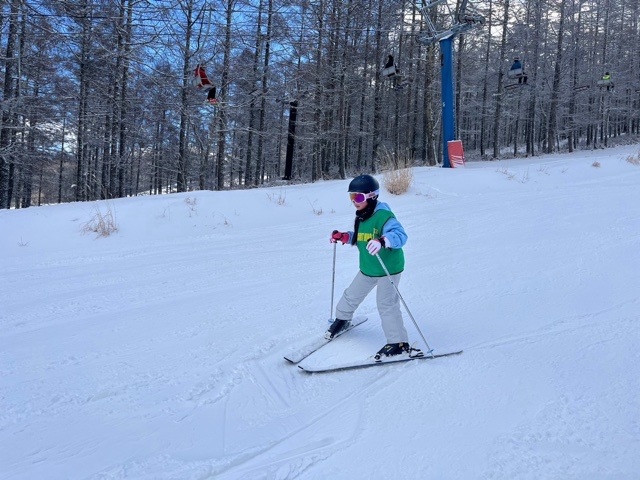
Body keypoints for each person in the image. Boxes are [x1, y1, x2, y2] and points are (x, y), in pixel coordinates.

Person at [328, 174, 423, 362]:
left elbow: (401, 235)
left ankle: (399, 343)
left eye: (359, 197)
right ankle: (342, 319)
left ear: (372, 196)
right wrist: (344, 237)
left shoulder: (384, 216)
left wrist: (383, 241)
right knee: (351, 295)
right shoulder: (363, 215)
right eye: (352, 197)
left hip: (388, 269)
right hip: (369, 268)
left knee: (386, 304)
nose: (355, 201)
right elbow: (361, 237)